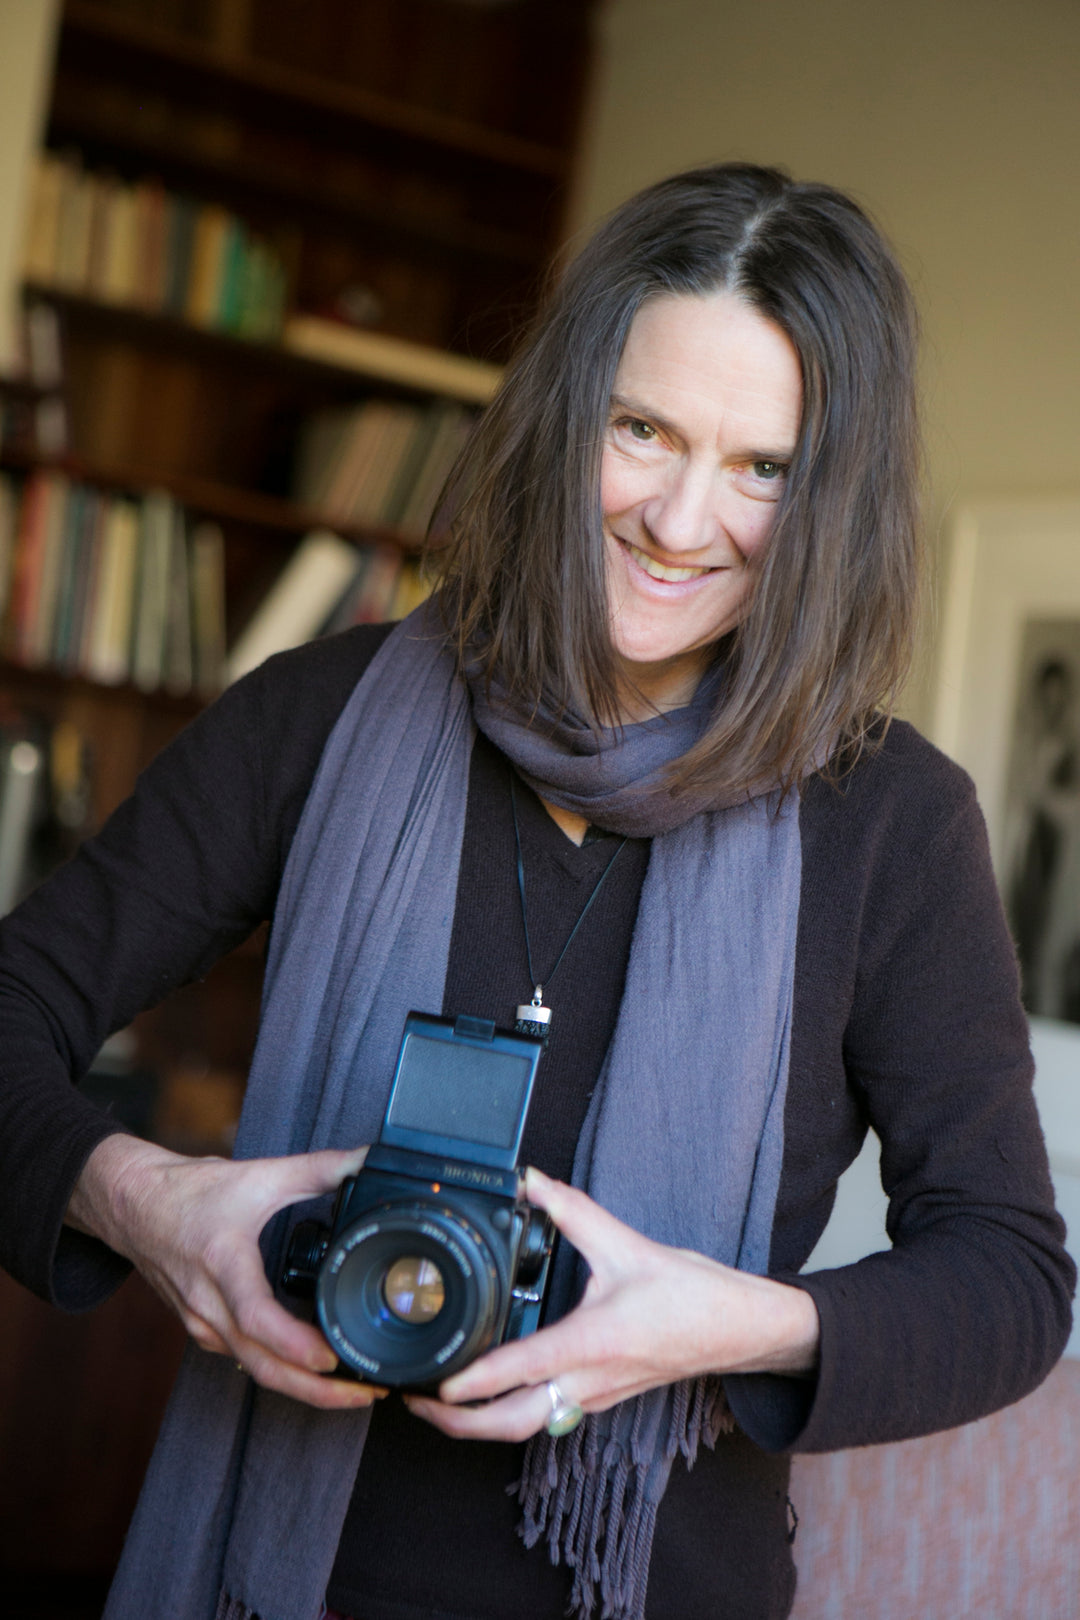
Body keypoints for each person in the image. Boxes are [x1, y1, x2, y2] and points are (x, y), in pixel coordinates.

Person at [0, 164, 1073, 1620]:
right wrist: (151, 1207)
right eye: (645, 431)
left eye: (766, 468)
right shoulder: (319, 715)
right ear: (572, 418)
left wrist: (717, 1327)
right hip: (270, 1579)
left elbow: (1010, 1277)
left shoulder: (892, 823)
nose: (685, 520)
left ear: (832, 502)